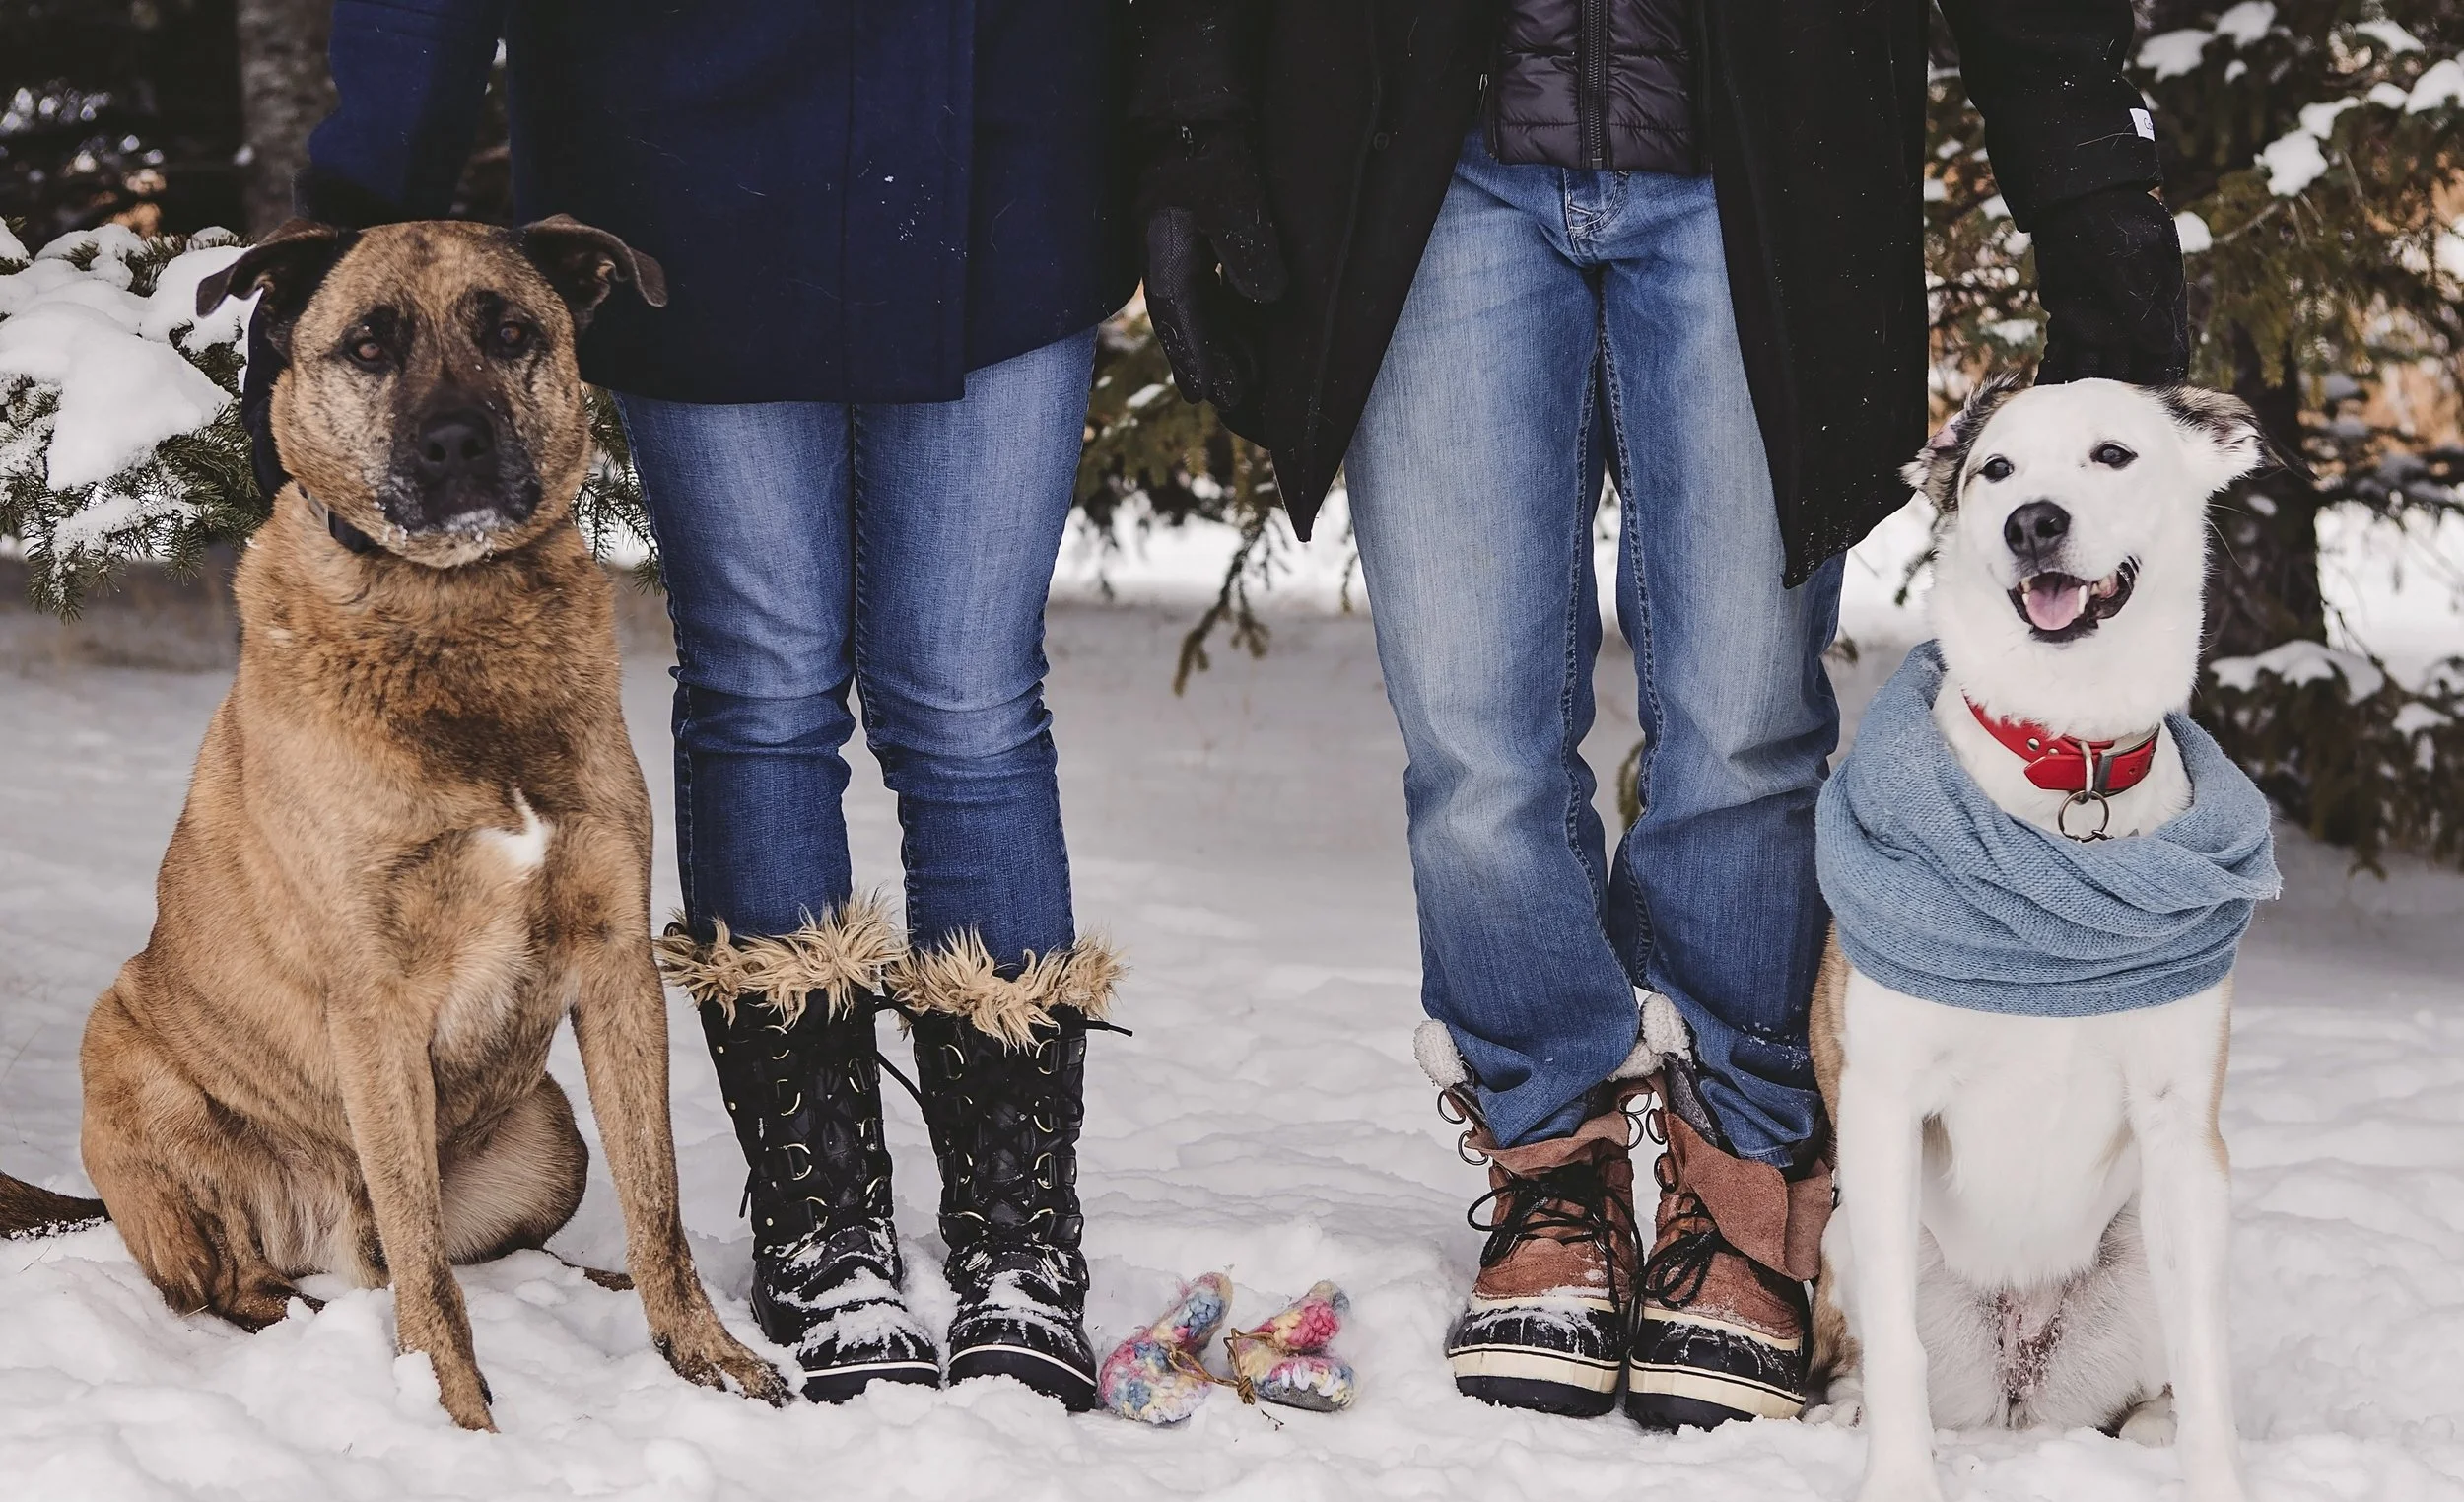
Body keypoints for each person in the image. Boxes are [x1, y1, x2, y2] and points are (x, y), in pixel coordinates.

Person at [1132, 0, 2189, 1428]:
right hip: (1436, 157)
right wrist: (1194, 124)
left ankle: (1742, 1179)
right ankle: (1550, 1176)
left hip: (1758, 162)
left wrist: (2090, 185)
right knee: (1473, 737)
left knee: (1746, 724)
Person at [286, 1, 1137, 1410]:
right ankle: (821, 1226)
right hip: (697, 164)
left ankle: (1017, 1240)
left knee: (974, 707)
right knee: (762, 696)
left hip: (1012, 166)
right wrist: (356, 218)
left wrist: (1183, 158)